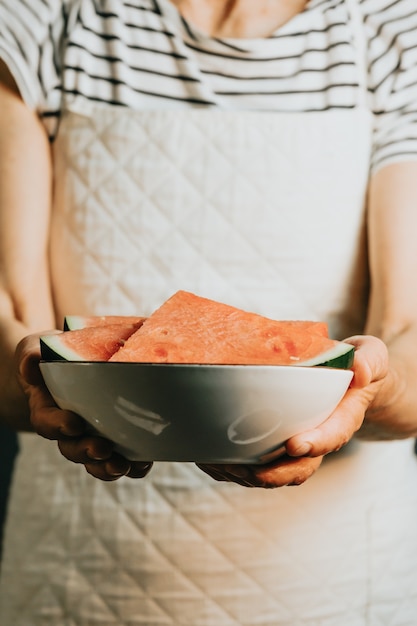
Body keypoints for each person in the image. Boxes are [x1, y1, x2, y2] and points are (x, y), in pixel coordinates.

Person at [1, 0, 417, 623]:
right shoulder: (41, 20)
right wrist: (47, 390)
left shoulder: (393, 30)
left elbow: (409, 339)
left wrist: (368, 389)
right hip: (80, 577)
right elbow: (14, 332)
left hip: (331, 584)